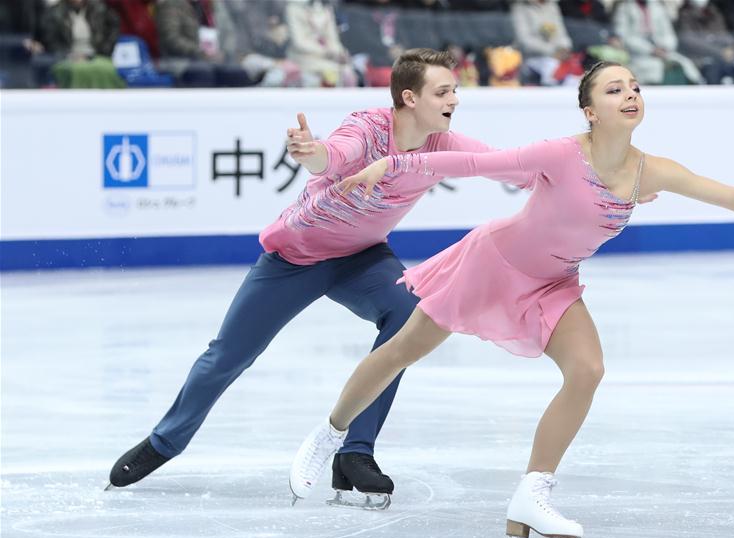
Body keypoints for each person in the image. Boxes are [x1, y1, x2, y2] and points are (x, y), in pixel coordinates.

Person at [287, 61, 734, 538]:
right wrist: (394, 163)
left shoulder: (651, 170)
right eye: (614, 89)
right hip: (492, 264)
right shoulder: (561, 153)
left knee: (588, 370)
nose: (630, 95)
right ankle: (330, 431)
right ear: (590, 110)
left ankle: (530, 498)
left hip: (554, 282)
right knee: (401, 351)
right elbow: (472, 165)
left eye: (635, 87)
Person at [106, 48, 545, 509]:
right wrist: (312, 152)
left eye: (454, 90)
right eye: (443, 91)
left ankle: (356, 453)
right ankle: (164, 442)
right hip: (294, 258)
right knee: (228, 356)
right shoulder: (369, 127)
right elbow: (334, 156)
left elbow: (504, 164)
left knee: (409, 317)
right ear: (410, 97)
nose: (454, 98)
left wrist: (563, 171)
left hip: (363, 260)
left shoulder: (442, 145)